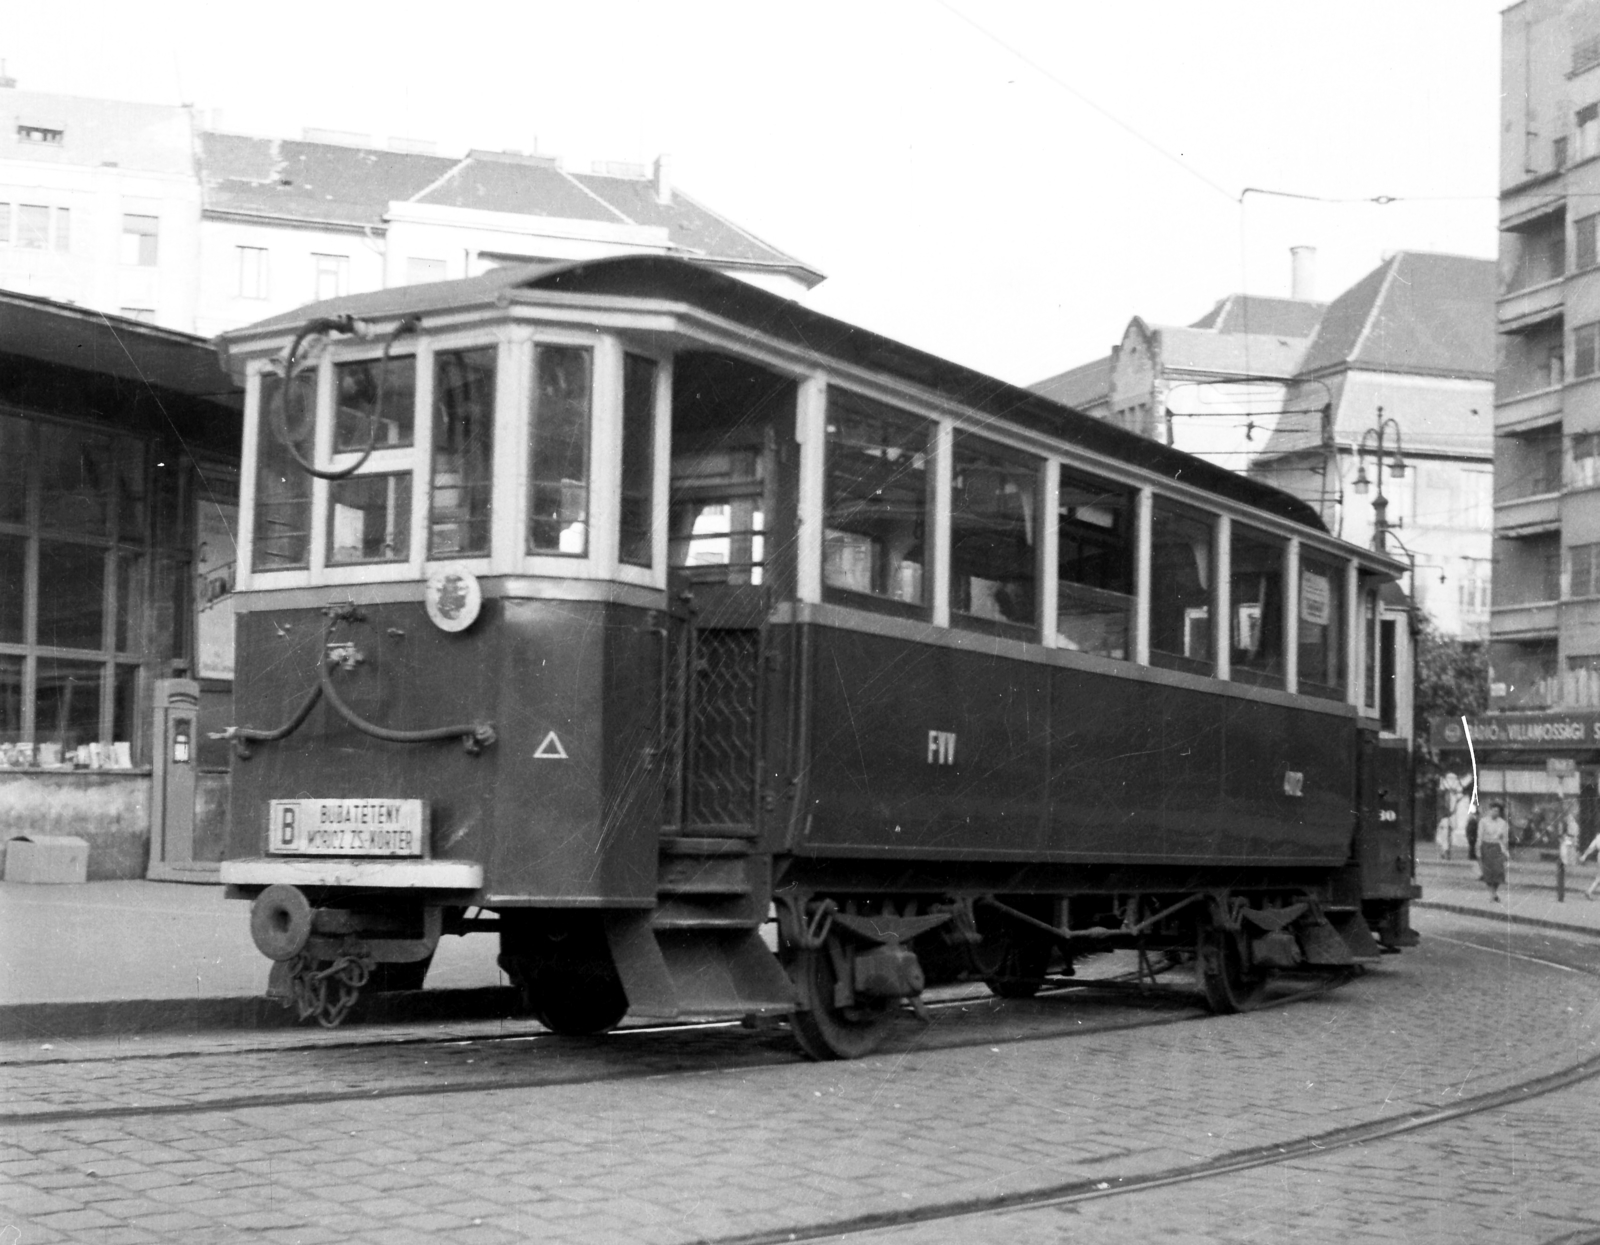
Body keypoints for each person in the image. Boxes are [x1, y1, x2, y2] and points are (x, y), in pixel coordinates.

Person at [1478, 802, 1511, 903]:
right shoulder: (1483, 822)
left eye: (1497, 811)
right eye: (1493, 810)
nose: (1495, 812)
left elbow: (1505, 839)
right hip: (1486, 846)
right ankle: (1493, 894)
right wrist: (1478, 850)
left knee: (1499, 872)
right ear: (1489, 810)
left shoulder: (1502, 823)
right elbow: (1479, 836)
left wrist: (1506, 851)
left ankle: (1494, 892)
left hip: (1497, 848)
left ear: (1499, 812)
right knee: (1488, 872)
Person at [1581, 831, 1600, 901]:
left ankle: (1589, 891)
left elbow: (1591, 848)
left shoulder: (1598, 837)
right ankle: (1589, 891)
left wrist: (1584, 856)